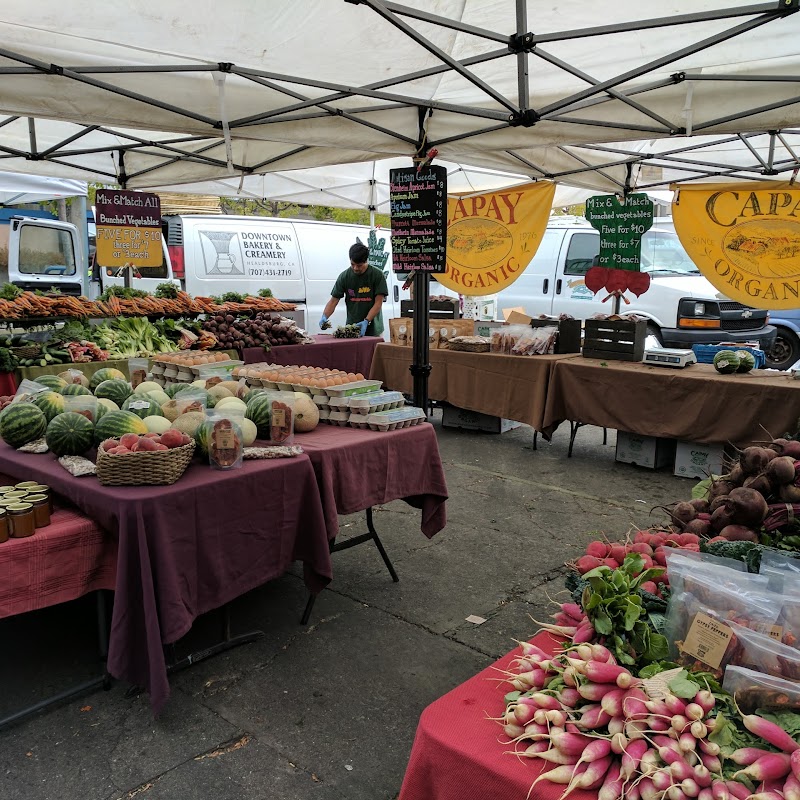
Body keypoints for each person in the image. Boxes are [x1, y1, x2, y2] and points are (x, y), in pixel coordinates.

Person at [319, 242, 388, 337]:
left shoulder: (377, 275)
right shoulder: (344, 276)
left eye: (359, 265)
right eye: (352, 264)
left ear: (365, 261)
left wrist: (366, 321)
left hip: (374, 329)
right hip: (352, 327)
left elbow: (378, 303)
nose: (355, 268)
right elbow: (333, 301)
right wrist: (324, 316)